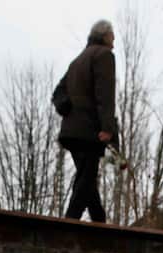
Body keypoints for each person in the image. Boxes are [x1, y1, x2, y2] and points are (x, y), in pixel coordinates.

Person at [55, 19, 120, 223]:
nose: (114, 40)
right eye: (112, 36)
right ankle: (68, 224)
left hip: (71, 132)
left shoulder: (77, 61)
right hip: (90, 131)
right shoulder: (104, 56)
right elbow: (105, 94)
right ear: (105, 36)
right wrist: (107, 128)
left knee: (87, 178)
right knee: (86, 178)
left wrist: (66, 107)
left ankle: (99, 220)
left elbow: (58, 92)